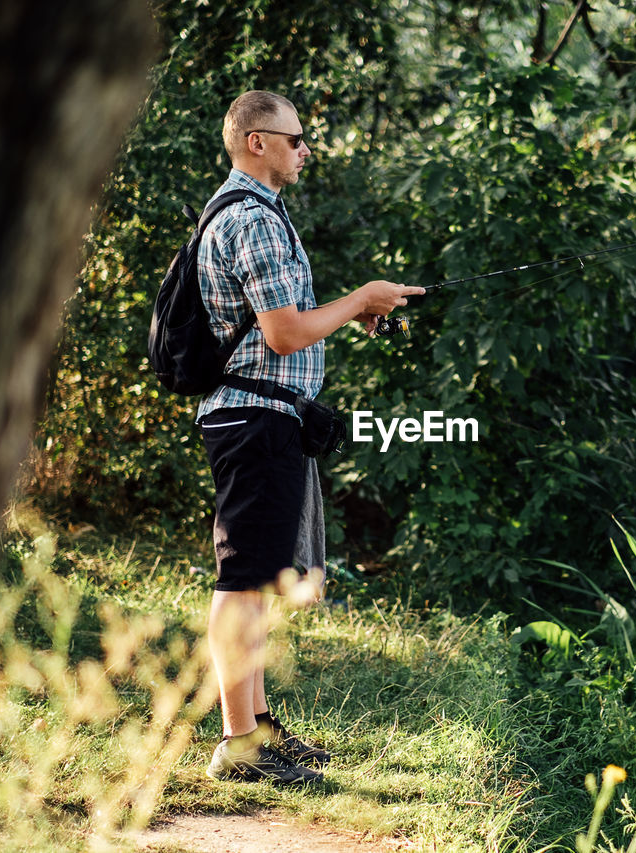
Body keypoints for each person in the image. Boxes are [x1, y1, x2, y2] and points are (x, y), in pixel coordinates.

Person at [196, 90, 425, 785]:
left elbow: (286, 322)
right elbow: (283, 331)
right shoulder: (253, 221)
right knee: (241, 582)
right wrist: (359, 298)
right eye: (296, 139)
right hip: (253, 420)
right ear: (256, 141)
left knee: (259, 579)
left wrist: (351, 312)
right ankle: (238, 746)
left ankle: (258, 726)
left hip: (267, 418)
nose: (306, 150)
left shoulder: (262, 215)